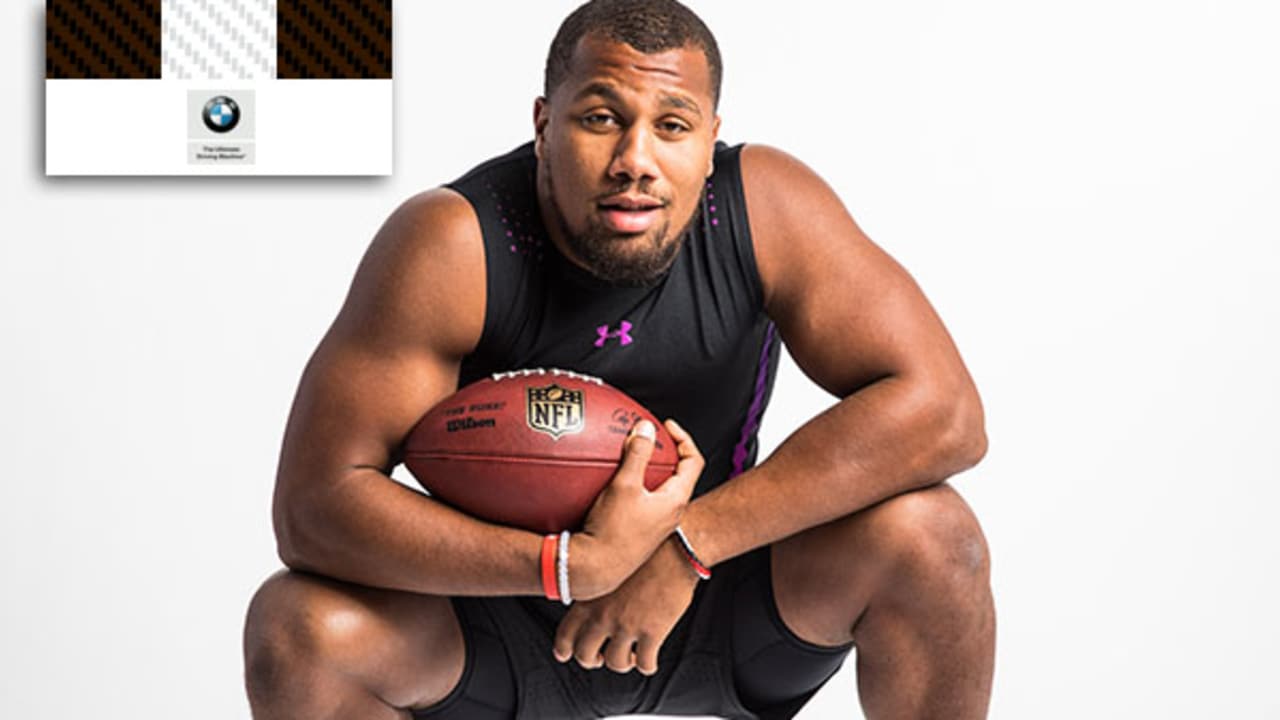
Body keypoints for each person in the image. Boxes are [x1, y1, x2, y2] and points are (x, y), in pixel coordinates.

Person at [243, 1, 994, 718]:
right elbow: (314, 509)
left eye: (673, 126)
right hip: (500, 619)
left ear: (709, 142)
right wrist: (566, 564)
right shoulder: (456, 244)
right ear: (544, 124)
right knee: (297, 630)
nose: (635, 160)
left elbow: (947, 414)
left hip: (719, 595)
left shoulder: (764, 207)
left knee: (935, 540)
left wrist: (686, 545)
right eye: (601, 119)